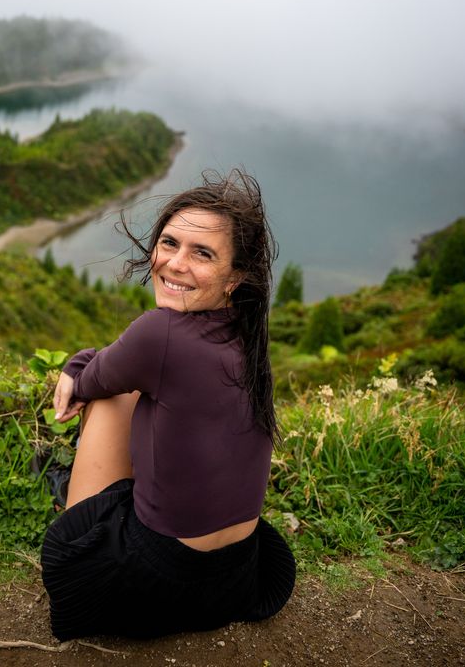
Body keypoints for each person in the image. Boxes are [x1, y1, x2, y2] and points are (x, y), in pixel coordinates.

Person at [41, 168, 295, 640]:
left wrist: (75, 366)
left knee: (117, 395)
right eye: (170, 243)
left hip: (158, 582)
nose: (176, 263)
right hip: (234, 579)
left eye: (202, 253)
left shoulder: (159, 334)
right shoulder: (249, 339)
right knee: (145, 386)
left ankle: (72, 501)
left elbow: (94, 381)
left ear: (234, 277)